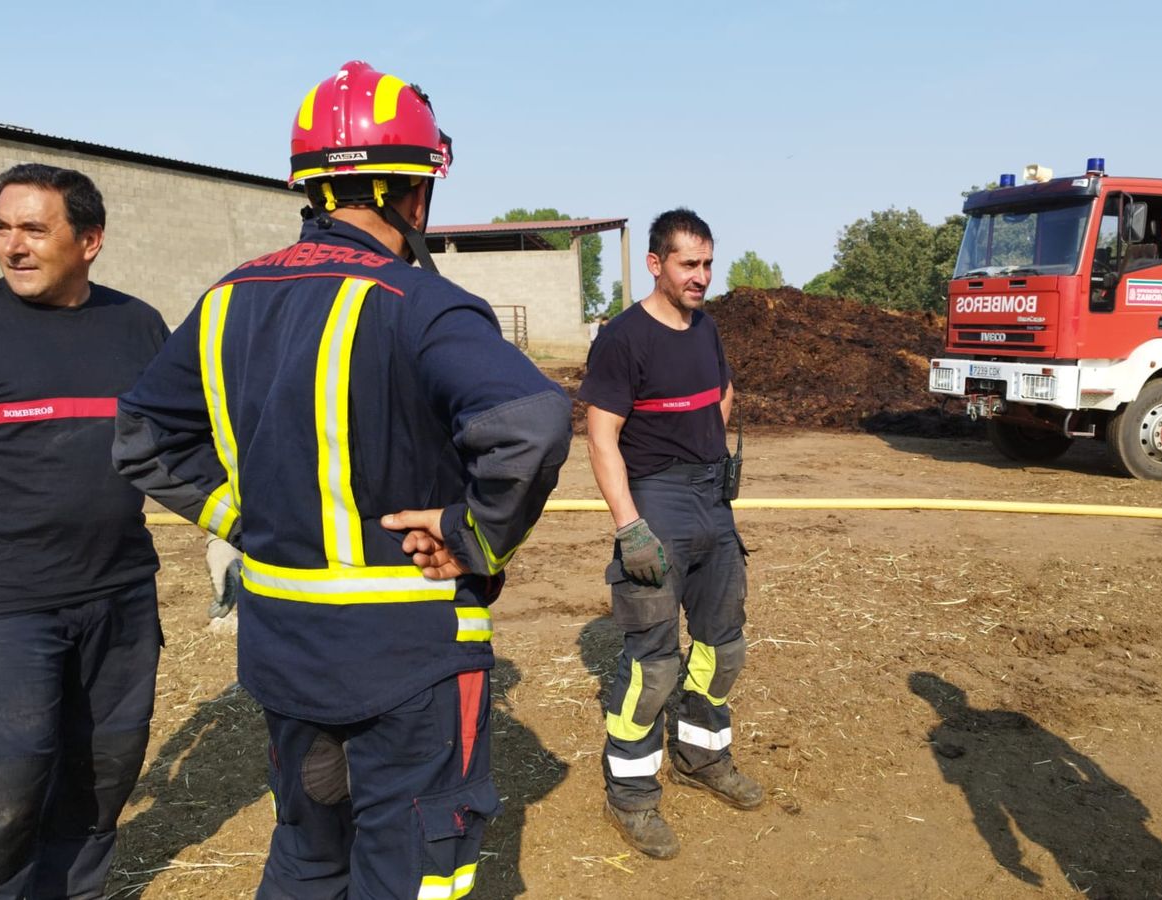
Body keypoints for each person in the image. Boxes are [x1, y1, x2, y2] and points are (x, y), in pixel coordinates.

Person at [111, 60, 572, 898]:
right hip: (407, 655)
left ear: (311, 190)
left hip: (285, 651)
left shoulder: (225, 299)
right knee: (414, 866)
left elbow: (142, 439)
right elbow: (533, 422)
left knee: (308, 853)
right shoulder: (420, 304)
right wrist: (470, 534)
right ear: (416, 196)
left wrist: (245, 518)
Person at [0, 163, 169, 898]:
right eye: (2, 227)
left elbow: (182, 444)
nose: (12, 246)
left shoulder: (137, 324)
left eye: (33, 228)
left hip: (120, 597)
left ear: (89, 241)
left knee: (99, 785)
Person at [579, 208, 762, 860]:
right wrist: (630, 527)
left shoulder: (706, 329)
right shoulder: (623, 339)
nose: (701, 277)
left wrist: (710, 459)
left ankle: (701, 758)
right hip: (657, 505)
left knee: (723, 650)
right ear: (656, 263)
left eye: (708, 264)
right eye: (689, 264)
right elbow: (601, 437)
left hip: (713, 502)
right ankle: (631, 796)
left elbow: (723, 392)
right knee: (651, 670)